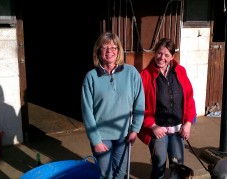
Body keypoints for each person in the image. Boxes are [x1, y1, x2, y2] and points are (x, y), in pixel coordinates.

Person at [81, 32, 145, 178]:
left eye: (113, 47)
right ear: (98, 51)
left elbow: (139, 102)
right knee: (106, 175)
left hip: (124, 134)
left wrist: (135, 129)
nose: (109, 51)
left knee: (121, 174)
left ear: (119, 51)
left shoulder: (131, 73)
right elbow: (87, 112)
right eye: (104, 47)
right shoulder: (91, 77)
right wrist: (95, 140)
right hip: (101, 136)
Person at [137, 38, 196, 179]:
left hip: (178, 130)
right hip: (158, 131)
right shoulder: (144, 76)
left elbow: (189, 98)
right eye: (159, 53)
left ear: (172, 57)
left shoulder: (180, 71)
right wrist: (152, 125)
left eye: (166, 55)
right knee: (158, 166)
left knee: (178, 167)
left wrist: (188, 124)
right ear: (155, 52)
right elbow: (138, 105)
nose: (161, 58)